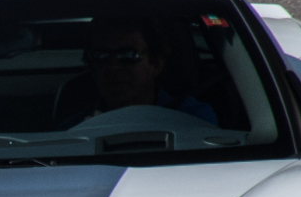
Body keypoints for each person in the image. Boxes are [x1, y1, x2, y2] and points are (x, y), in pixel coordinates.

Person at [62, 15, 218, 126]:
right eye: (101, 56)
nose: (113, 66)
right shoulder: (74, 130)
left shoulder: (193, 120)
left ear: (156, 64)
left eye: (128, 55)